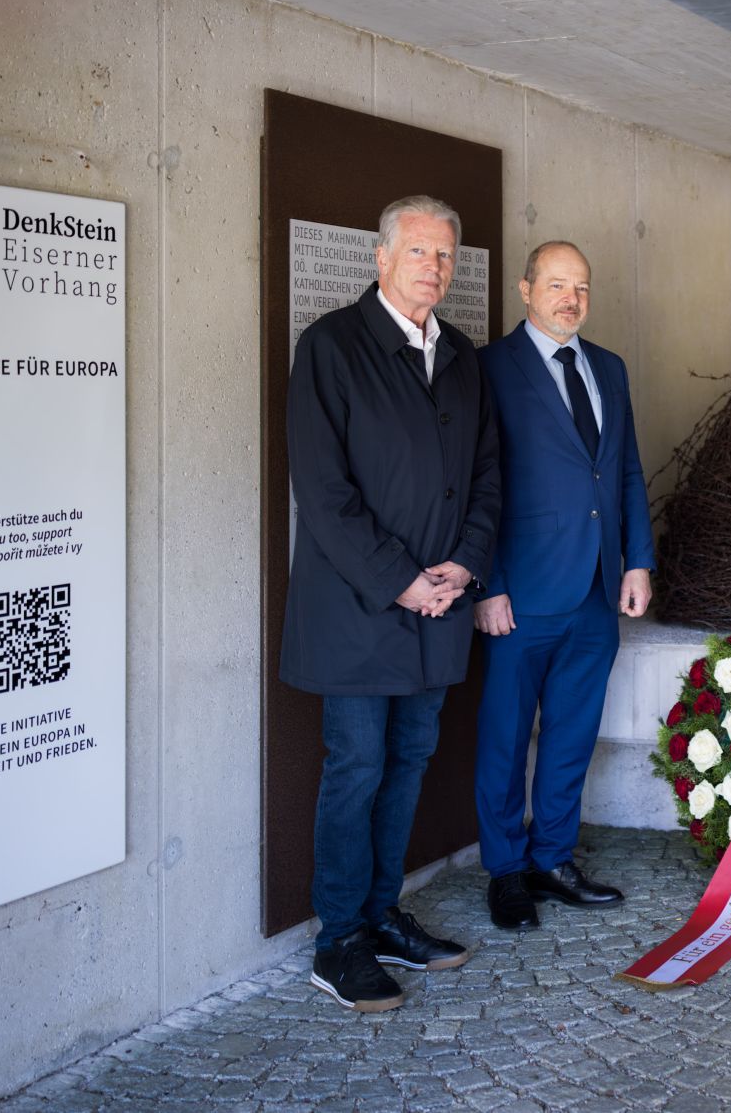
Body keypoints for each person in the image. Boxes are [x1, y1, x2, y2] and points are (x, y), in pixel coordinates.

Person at [282, 195, 501, 1012]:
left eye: (445, 256)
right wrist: (403, 578)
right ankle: (338, 940)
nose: (434, 268)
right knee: (358, 767)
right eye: (418, 253)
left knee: (408, 762)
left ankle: (379, 914)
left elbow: (487, 475)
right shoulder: (332, 347)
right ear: (381, 259)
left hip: (439, 608)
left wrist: (465, 563)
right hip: (359, 610)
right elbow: (326, 494)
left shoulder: (464, 356)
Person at [473, 241, 653, 931]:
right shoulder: (490, 369)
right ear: (525, 289)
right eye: (555, 284)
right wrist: (489, 583)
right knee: (505, 737)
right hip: (519, 592)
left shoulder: (608, 367)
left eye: (580, 286)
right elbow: (480, 484)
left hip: (597, 589)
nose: (570, 299)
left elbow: (625, 469)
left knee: (573, 734)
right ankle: (506, 870)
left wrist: (637, 560)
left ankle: (552, 857)